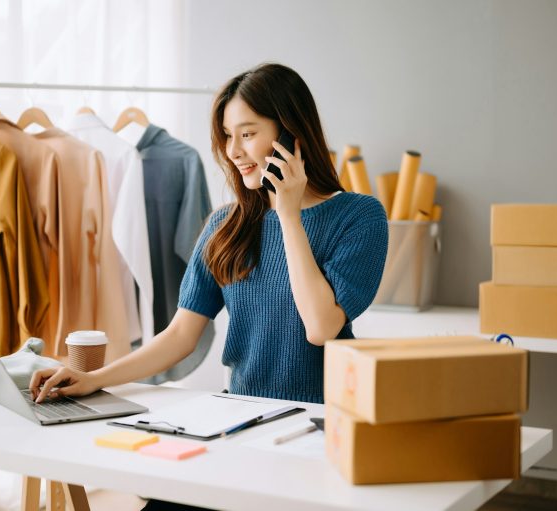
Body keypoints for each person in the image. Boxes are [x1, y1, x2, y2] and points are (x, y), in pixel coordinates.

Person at [30, 62, 388, 509]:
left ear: (291, 134)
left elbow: (320, 327)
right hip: (240, 425)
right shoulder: (225, 226)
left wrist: (288, 214)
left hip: (319, 431)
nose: (233, 151)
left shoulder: (360, 217)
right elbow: (181, 335)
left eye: (247, 133)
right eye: (226, 136)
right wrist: (93, 379)